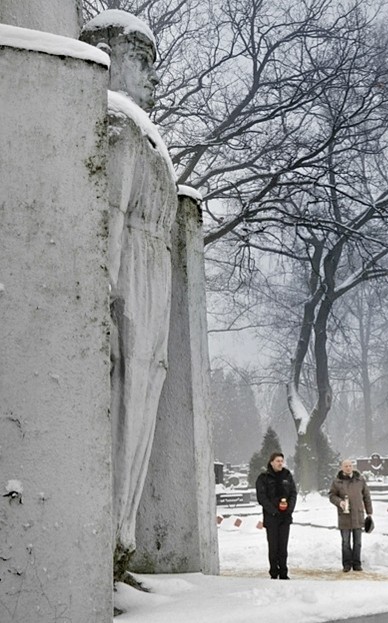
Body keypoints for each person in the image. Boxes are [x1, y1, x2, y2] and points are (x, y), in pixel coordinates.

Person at [80, 10, 177, 569]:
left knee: (144, 393)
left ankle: (123, 533)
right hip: (130, 281)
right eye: (143, 60)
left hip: (153, 276)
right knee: (125, 395)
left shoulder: (146, 132)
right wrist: (105, 291)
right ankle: (110, 537)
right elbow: (111, 214)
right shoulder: (118, 123)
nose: (154, 76)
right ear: (110, 57)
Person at [255, 452, 297, 579]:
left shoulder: (287, 475)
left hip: (285, 517)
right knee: (273, 547)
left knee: (283, 547)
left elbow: (293, 493)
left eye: (281, 461)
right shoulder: (263, 477)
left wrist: (289, 508)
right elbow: (261, 497)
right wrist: (273, 510)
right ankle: (274, 572)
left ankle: (284, 572)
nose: (280, 463)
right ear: (271, 462)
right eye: (277, 461)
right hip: (271, 517)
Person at [329, 459, 374, 572]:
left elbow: (366, 496)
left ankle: (357, 564)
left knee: (358, 542)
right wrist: (340, 502)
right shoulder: (337, 482)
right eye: (345, 466)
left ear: (353, 467)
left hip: (358, 515)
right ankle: (347, 564)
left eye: (350, 466)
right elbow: (331, 495)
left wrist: (369, 512)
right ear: (341, 467)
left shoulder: (360, 480)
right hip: (344, 516)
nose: (348, 468)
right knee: (345, 542)